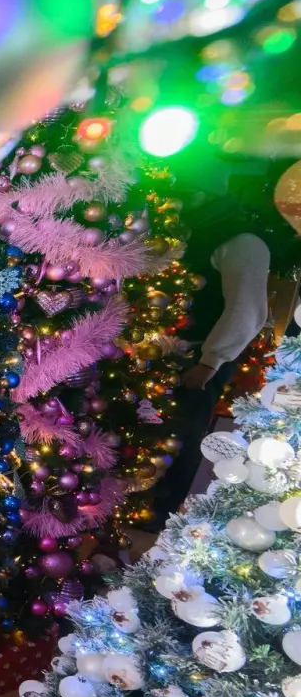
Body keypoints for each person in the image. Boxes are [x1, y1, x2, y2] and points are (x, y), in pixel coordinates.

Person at [148, 175, 280, 524]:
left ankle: (160, 513)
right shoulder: (179, 230)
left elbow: (247, 311)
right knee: (149, 431)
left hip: (197, 357)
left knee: (181, 434)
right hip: (158, 352)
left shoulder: (241, 241)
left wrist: (209, 363)